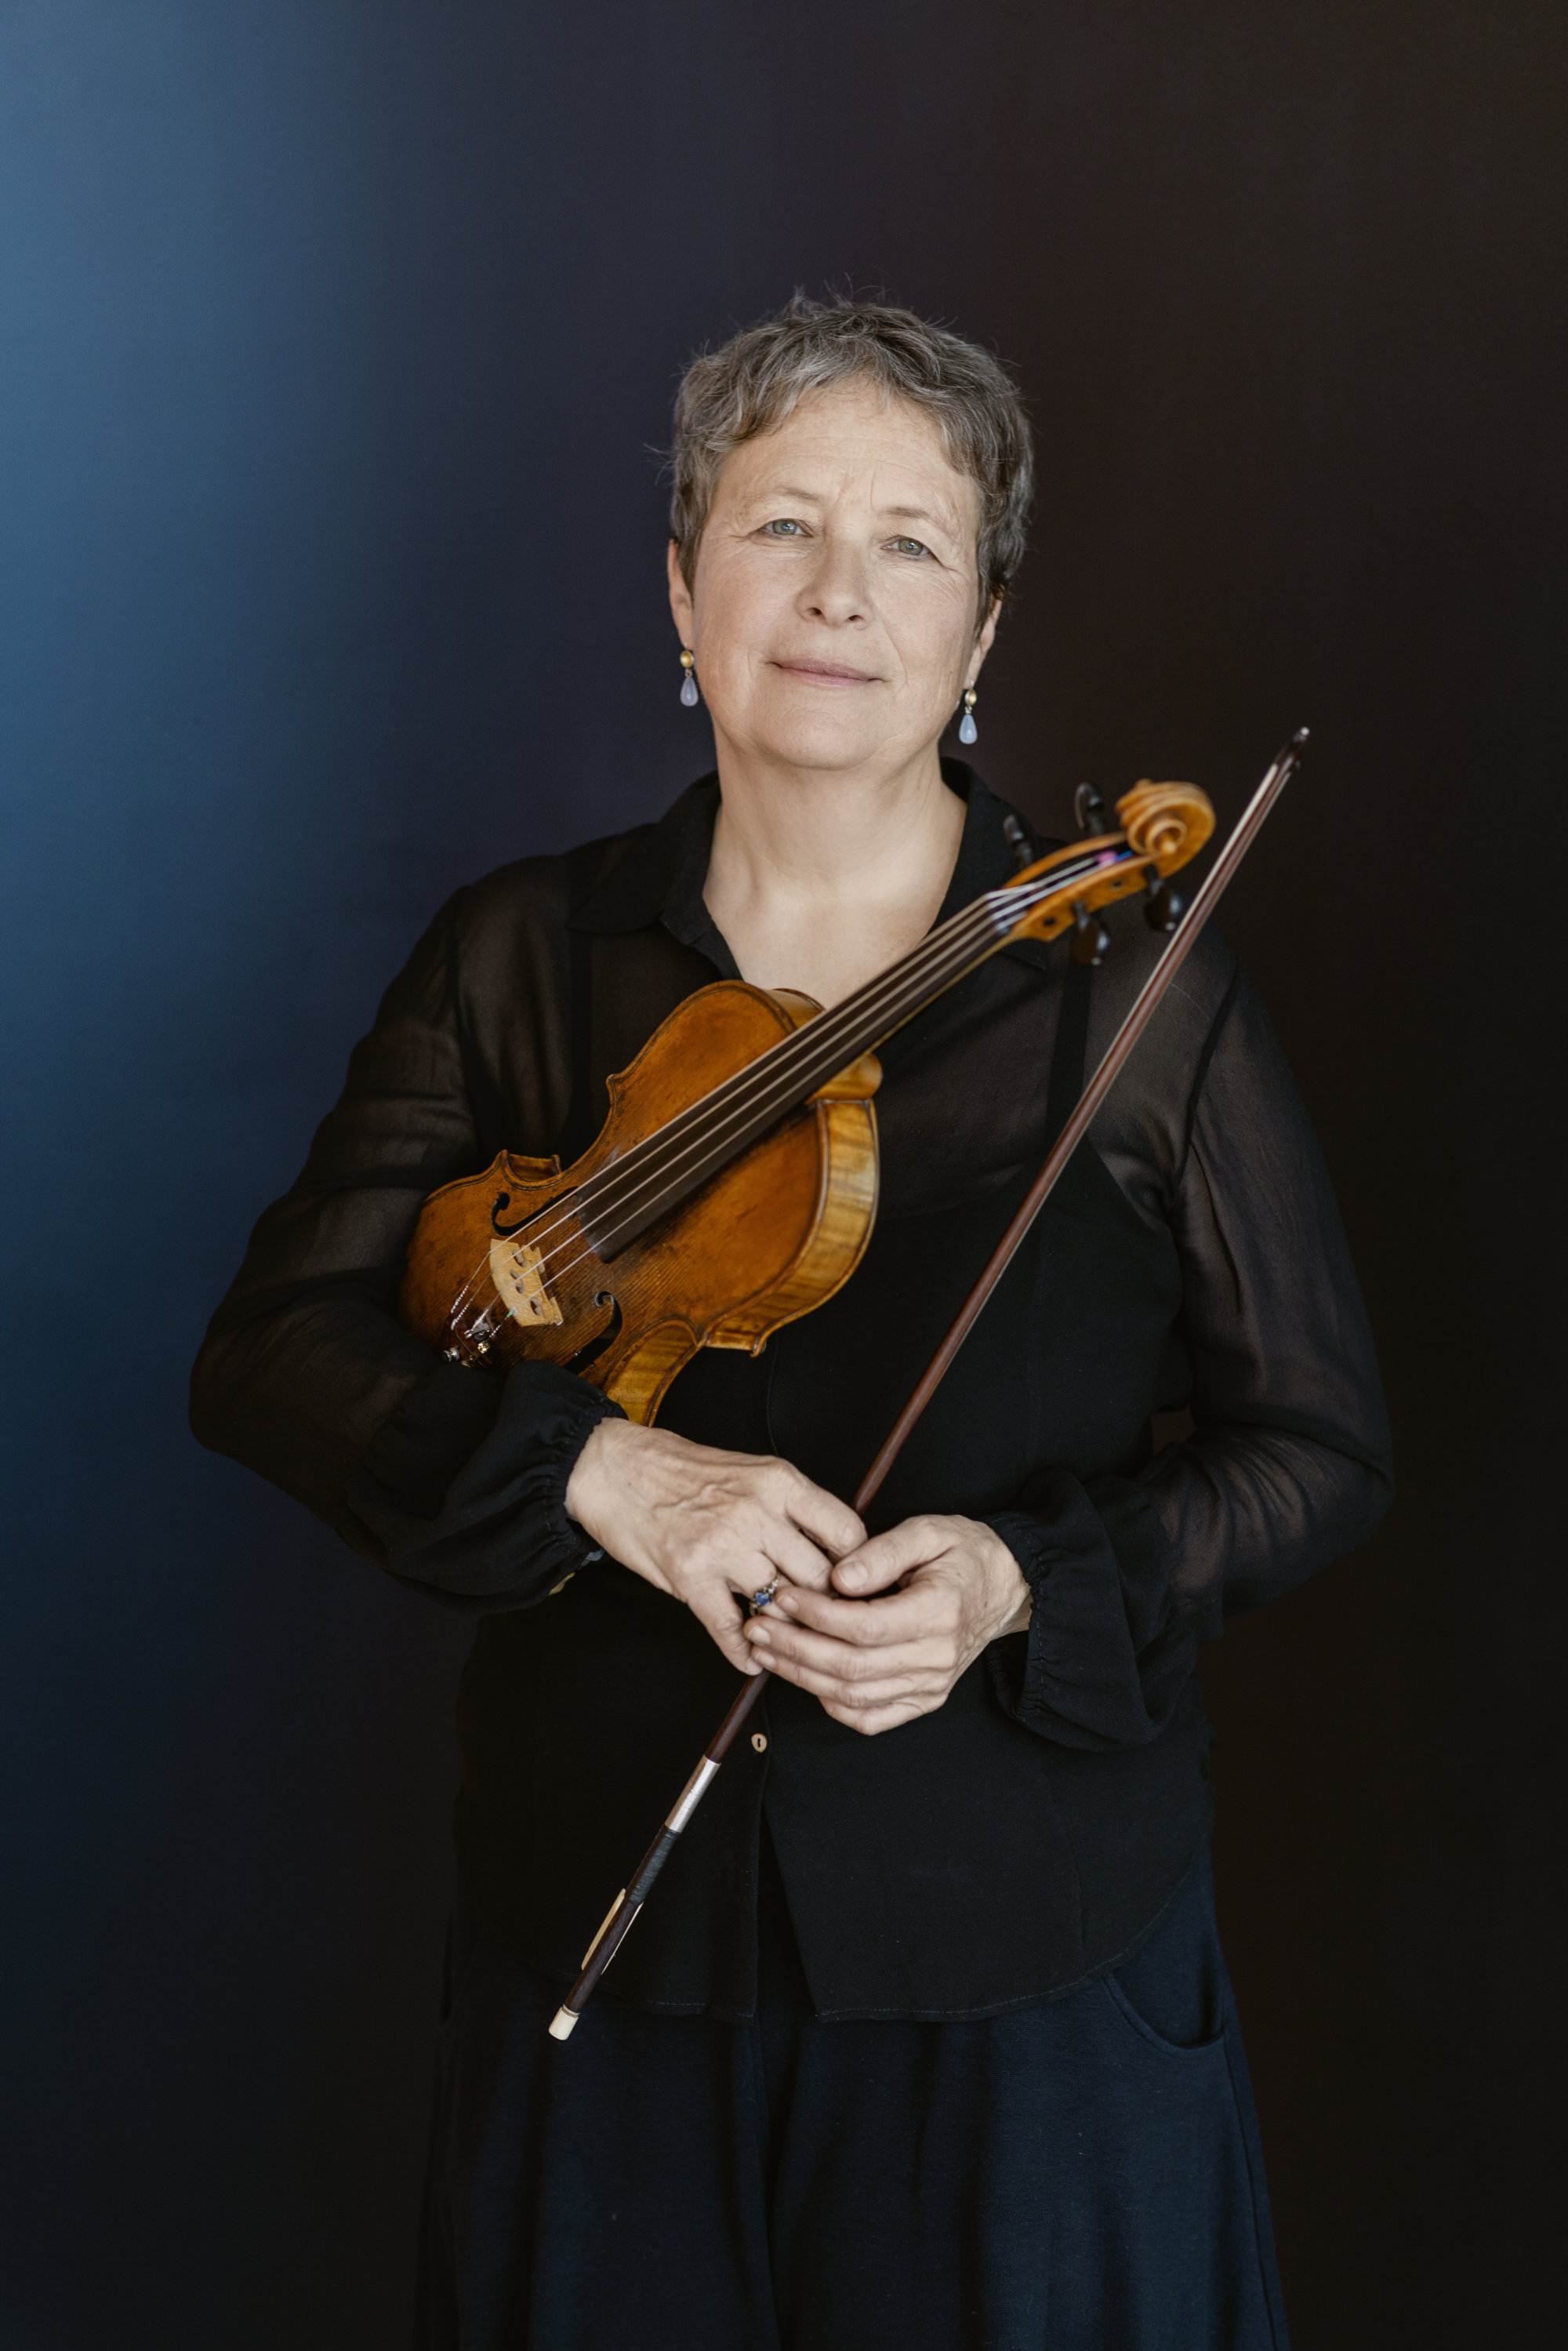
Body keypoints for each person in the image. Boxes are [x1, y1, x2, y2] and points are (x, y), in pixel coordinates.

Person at [191, 295, 1392, 2351]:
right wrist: (603, 1472)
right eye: (778, 527)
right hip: (604, 1957)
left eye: (910, 542)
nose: (839, 592)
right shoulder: (520, 957)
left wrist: (1015, 1582)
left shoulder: (1133, 997)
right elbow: (276, 1349)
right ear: (683, 589)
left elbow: (1318, 1453)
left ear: (983, 627)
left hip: (1030, 1982)